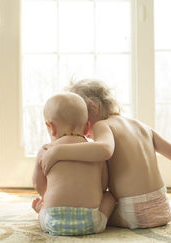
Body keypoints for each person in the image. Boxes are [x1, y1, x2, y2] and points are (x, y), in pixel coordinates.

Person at [41, 79, 171, 229]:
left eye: (82, 117)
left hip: (133, 213)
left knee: (94, 210)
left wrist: (58, 151)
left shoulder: (103, 126)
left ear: (93, 107)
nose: (81, 129)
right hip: (162, 207)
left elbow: (104, 150)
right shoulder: (141, 126)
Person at [32, 92, 115, 236]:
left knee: (45, 205)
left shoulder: (45, 151)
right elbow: (103, 185)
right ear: (87, 126)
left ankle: (42, 212)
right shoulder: (94, 151)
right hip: (91, 222)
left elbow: (38, 185)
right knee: (109, 197)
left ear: (51, 127)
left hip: (54, 221)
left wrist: (50, 196)